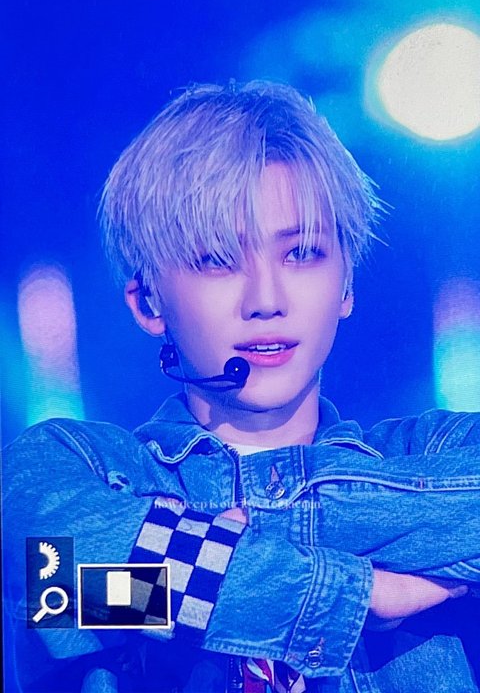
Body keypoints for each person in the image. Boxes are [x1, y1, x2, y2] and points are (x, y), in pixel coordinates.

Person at [4, 80, 480, 693]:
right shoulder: (74, 467)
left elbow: (109, 588)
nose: (266, 299)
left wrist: (204, 562)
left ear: (347, 284)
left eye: (301, 252)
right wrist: (358, 593)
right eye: (216, 259)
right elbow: (52, 581)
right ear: (148, 302)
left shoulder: (437, 451)